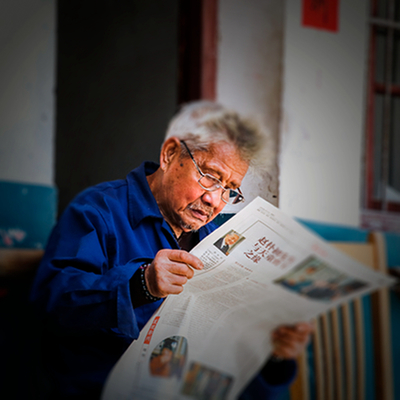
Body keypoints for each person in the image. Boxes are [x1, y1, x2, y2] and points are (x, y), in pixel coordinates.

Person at [30, 101, 313, 399]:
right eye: (210, 176)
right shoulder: (99, 211)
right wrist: (141, 284)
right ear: (169, 154)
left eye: (229, 189)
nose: (214, 200)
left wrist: (274, 353)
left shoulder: (219, 239)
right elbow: (50, 304)